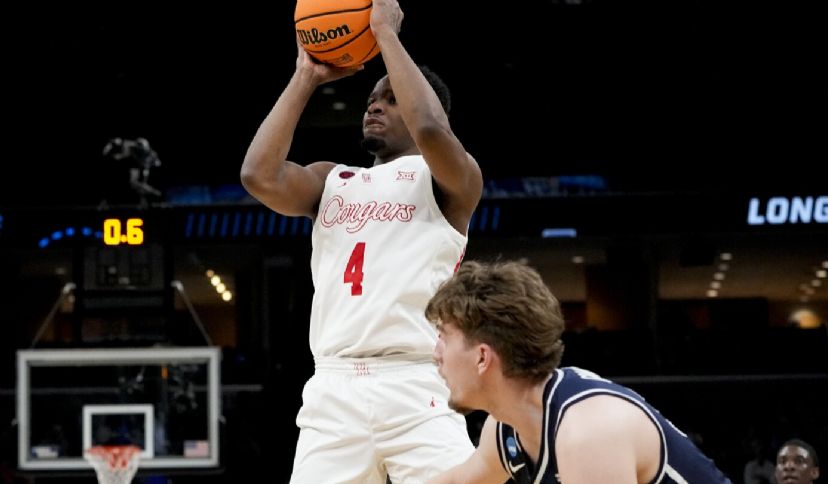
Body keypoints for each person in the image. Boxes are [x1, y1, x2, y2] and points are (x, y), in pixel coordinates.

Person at [240, 0, 482, 481]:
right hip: (333, 387)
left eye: (391, 98)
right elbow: (257, 174)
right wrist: (305, 76)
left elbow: (430, 126)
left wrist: (386, 35)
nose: (374, 104)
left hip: (417, 382)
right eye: (373, 97)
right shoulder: (332, 180)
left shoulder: (450, 181)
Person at [425, 260, 731, 483]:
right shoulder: (507, 428)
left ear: (482, 357)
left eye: (444, 337)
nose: (436, 353)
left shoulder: (586, 433)